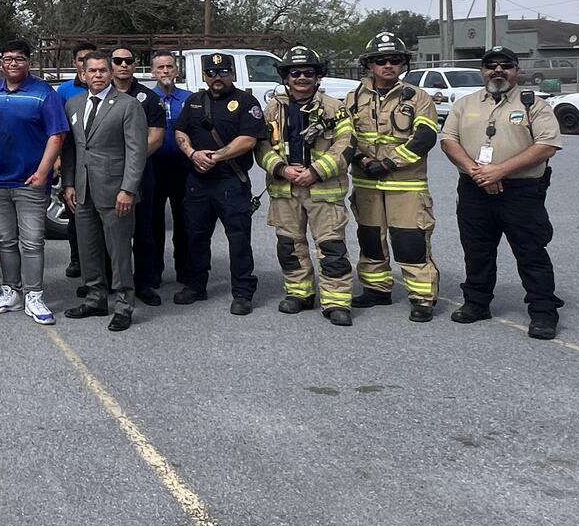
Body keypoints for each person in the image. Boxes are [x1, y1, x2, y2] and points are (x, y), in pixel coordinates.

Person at [439, 45, 564, 340]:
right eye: (490, 65)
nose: (498, 70)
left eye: (505, 65)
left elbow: (548, 145)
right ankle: (477, 303)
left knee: (531, 251)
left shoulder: (534, 104)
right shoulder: (465, 104)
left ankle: (543, 313)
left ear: (516, 70)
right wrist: (477, 172)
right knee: (477, 250)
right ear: (482, 71)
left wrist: (500, 170)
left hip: (521, 191)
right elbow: (448, 140)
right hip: (474, 188)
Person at [343, 31, 440, 321]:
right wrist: (360, 158)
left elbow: (424, 138)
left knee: (410, 242)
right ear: (369, 65)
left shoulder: (417, 97)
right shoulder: (353, 97)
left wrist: (388, 164)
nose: (388, 66)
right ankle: (377, 289)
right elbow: (344, 136)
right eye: (381, 60)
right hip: (366, 183)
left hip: (406, 184)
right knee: (370, 238)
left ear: (403, 65)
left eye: (395, 60)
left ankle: (422, 297)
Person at [256, 46, 355, 326]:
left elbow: (346, 145)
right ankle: (299, 293)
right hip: (284, 189)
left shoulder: (335, 108)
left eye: (308, 72)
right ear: (286, 76)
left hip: (322, 190)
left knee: (332, 247)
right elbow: (261, 145)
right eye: (295, 72)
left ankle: (336, 301)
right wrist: (282, 169)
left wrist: (315, 171)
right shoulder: (273, 108)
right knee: (289, 245)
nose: (301, 77)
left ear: (317, 76)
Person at [0, 39, 69, 325]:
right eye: (7, 58)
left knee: (31, 242)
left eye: (18, 58)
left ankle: (33, 294)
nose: (12, 63)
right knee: (5, 240)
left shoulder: (44, 94)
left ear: (28, 62)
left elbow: (57, 135)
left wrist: (43, 172)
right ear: (0, 63)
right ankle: (11, 291)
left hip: (30, 181)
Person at [60, 51, 148, 331]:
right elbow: (71, 149)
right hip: (83, 190)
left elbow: (137, 151)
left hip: (115, 191)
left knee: (119, 251)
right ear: (83, 75)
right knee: (88, 249)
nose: (97, 75)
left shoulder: (128, 105)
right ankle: (96, 298)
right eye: (92, 71)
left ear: (110, 73)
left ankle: (124, 305)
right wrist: (69, 183)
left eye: (102, 71)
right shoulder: (73, 104)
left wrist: (128, 189)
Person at [174, 53, 266, 315]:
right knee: (195, 236)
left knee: (238, 239)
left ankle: (243, 292)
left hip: (230, 181)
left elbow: (249, 139)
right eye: (212, 73)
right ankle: (195, 286)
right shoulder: (194, 102)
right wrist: (192, 153)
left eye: (224, 72)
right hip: (198, 181)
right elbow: (180, 131)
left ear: (233, 75)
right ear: (204, 76)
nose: (217, 78)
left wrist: (216, 156)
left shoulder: (246, 102)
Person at [104, 47, 167, 306]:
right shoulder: (98, 96)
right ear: (111, 65)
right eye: (117, 61)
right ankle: (110, 280)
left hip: (141, 173)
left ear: (134, 65)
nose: (123, 65)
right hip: (106, 175)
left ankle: (144, 283)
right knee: (109, 230)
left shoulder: (148, 98)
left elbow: (157, 136)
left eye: (128, 61)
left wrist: (132, 161)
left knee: (144, 230)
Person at [150, 52, 190, 296]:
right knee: (153, 222)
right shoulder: (145, 98)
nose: (165, 71)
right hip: (154, 166)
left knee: (184, 221)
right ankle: (153, 271)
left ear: (177, 71)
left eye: (170, 67)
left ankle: (185, 270)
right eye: (160, 68)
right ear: (153, 72)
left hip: (183, 168)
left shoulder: (189, 99)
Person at [57, 41, 94, 279]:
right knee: (75, 214)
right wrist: (58, 158)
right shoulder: (65, 91)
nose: (85, 63)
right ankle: (76, 259)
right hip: (74, 160)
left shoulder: (105, 87)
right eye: (81, 59)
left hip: (100, 163)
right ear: (75, 63)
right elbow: (59, 128)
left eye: (90, 58)